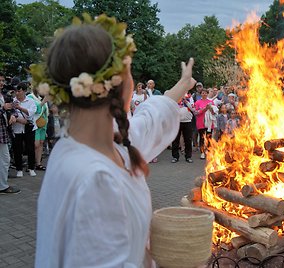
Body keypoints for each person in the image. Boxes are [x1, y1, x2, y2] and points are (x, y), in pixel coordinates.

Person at [33, 15, 196, 267]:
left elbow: (150, 121)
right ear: (118, 82)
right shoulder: (95, 179)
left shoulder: (100, 145)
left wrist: (183, 84)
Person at [11, 82, 37, 177]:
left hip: (29, 128)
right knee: (17, 149)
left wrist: (20, 108)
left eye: (19, 91)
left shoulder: (30, 101)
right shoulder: (12, 101)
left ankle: (31, 168)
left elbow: (31, 113)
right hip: (16, 128)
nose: (17, 93)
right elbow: (11, 114)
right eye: (16, 91)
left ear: (25, 91)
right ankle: (19, 169)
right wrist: (18, 119)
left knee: (30, 148)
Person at [0, 72, 20, 194]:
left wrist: (13, 115)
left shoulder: (3, 95)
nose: (2, 83)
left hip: (3, 131)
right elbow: (5, 108)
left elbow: (12, 108)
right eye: (0, 80)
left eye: (2, 80)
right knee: (5, 159)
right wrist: (3, 108)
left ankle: (2, 185)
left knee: (5, 159)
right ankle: (2, 186)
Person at [171, 93, 194, 163]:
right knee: (175, 140)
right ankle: (175, 156)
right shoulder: (176, 97)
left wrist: (186, 101)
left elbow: (193, 108)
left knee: (188, 140)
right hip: (177, 122)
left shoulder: (190, 97)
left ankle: (188, 156)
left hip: (187, 121)